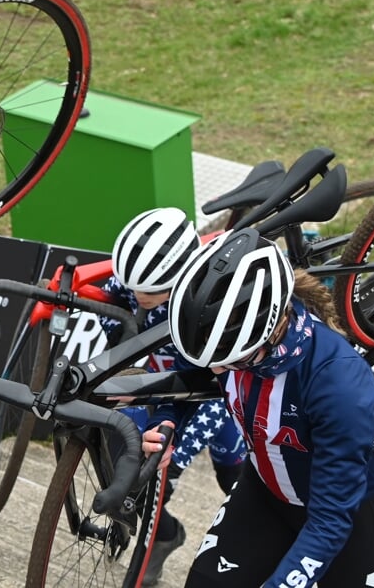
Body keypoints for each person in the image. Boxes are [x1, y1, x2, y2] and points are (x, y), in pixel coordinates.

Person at [144, 229, 374, 588]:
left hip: (347, 517)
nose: (216, 370)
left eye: (231, 359)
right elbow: (190, 370)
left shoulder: (339, 385)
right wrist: (167, 419)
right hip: (266, 491)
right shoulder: (227, 339)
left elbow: (330, 520)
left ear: (273, 329)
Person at [98, 207, 248, 585]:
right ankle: (164, 536)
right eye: (133, 286)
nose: (138, 295)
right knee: (132, 467)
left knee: (232, 473)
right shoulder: (135, 283)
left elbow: (218, 400)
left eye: (150, 290)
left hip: (216, 396)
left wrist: (177, 457)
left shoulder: (203, 307)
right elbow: (109, 305)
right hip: (164, 382)